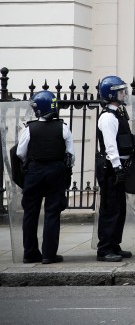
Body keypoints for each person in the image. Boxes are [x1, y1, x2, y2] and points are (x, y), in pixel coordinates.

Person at [16, 91, 74, 264]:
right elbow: (71, 154)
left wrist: (32, 162)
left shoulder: (29, 128)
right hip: (56, 171)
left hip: (34, 171)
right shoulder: (62, 127)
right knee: (52, 213)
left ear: (39, 110)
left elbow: (20, 153)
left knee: (30, 213)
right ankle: (49, 254)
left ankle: (30, 253)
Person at [94, 76, 134, 262]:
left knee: (119, 208)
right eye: (120, 91)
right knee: (110, 208)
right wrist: (118, 168)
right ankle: (105, 248)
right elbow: (110, 146)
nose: (124, 93)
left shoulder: (119, 113)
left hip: (118, 166)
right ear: (111, 94)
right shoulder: (108, 117)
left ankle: (114, 244)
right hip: (111, 167)